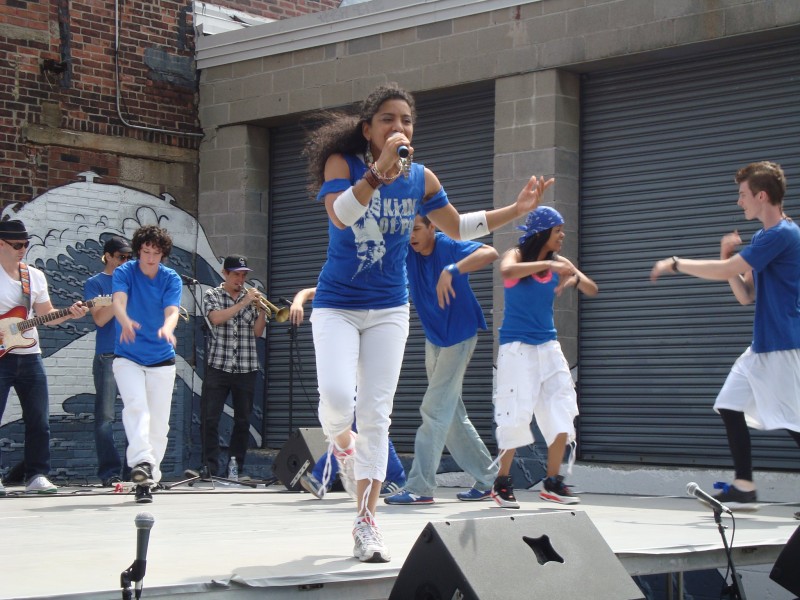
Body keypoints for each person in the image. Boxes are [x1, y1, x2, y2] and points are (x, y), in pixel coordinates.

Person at [302, 81, 552, 562]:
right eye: (389, 120)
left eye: (407, 121)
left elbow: (459, 226)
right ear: (368, 129)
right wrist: (377, 172)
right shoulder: (345, 165)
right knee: (337, 403)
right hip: (337, 303)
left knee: (376, 414)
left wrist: (516, 211)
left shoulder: (421, 178)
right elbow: (342, 216)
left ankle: (366, 523)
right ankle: (340, 442)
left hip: (390, 308)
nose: (400, 127)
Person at [651, 161, 800, 510]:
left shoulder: (784, 234)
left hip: (783, 345)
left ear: (762, 195)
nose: (739, 202)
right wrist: (727, 256)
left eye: (743, 195)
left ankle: (744, 485)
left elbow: (727, 272)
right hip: (763, 345)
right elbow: (746, 294)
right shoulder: (766, 237)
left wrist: (676, 262)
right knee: (729, 404)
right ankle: (744, 485)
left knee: (795, 421)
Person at [384, 215, 499, 505]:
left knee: (434, 410)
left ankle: (421, 487)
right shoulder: (406, 251)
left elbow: (490, 252)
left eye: (417, 229)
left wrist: (452, 269)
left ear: (432, 227)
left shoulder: (448, 246)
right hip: (434, 338)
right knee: (451, 416)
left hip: (460, 335)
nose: (411, 235)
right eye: (407, 230)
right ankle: (489, 480)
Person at [493, 205, 598, 508]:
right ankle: (501, 483)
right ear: (542, 234)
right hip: (517, 349)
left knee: (562, 408)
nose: (563, 236)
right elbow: (506, 271)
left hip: (548, 347)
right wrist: (552, 269)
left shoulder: (558, 262)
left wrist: (574, 278)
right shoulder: (516, 256)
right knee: (515, 414)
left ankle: (553, 482)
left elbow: (592, 287)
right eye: (558, 231)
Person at [289, 287, 407, 499]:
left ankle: (394, 477)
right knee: (350, 424)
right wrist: (297, 303)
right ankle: (321, 478)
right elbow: (308, 291)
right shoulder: (342, 284)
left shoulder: (378, 296)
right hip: (348, 379)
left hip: (370, 366)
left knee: (372, 422)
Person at [0, 219, 88, 494]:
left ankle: (37, 475)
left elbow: (45, 315)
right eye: (16, 245)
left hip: (30, 355)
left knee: (39, 418)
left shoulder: (33, 276)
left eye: (26, 244)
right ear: (1, 244)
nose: (22, 249)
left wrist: (68, 312)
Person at [112, 225, 182, 504]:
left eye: (156, 253)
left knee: (159, 424)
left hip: (162, 359)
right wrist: (125, 321)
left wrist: (168, 327)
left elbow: (173, 309)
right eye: (145, 252)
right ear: (138, 250)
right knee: (136, 406)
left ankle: (148, 476)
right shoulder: (125, 272)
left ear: (163, 254)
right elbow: (118, 300)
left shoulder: (170, 277)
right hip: (128, 356)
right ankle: (140, 463)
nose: (150, 258)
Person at [199, 255, 267, 478]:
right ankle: (210, 467)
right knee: (210, 418)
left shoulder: (250, 298)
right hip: (218, 364)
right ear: (225, 273)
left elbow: (257, 333)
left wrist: (263, 310)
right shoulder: (213, 295)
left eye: (243, 274)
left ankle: (235, 467)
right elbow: (216, 318)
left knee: (243, 421)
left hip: (246, 366)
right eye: (236, 274)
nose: (241, 278)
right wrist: (244, 303)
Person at [84, 236, 132, 487]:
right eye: (121, 257)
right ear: (108, 256)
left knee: (134, 414)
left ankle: (132, 471)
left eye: (129, 258)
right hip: (108, 355)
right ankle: (109, 472)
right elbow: (100, 319)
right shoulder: (95, 283)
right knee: (105, 417)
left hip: (133, 354)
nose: (126, 261)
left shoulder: (134, 281)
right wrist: (119, 295)